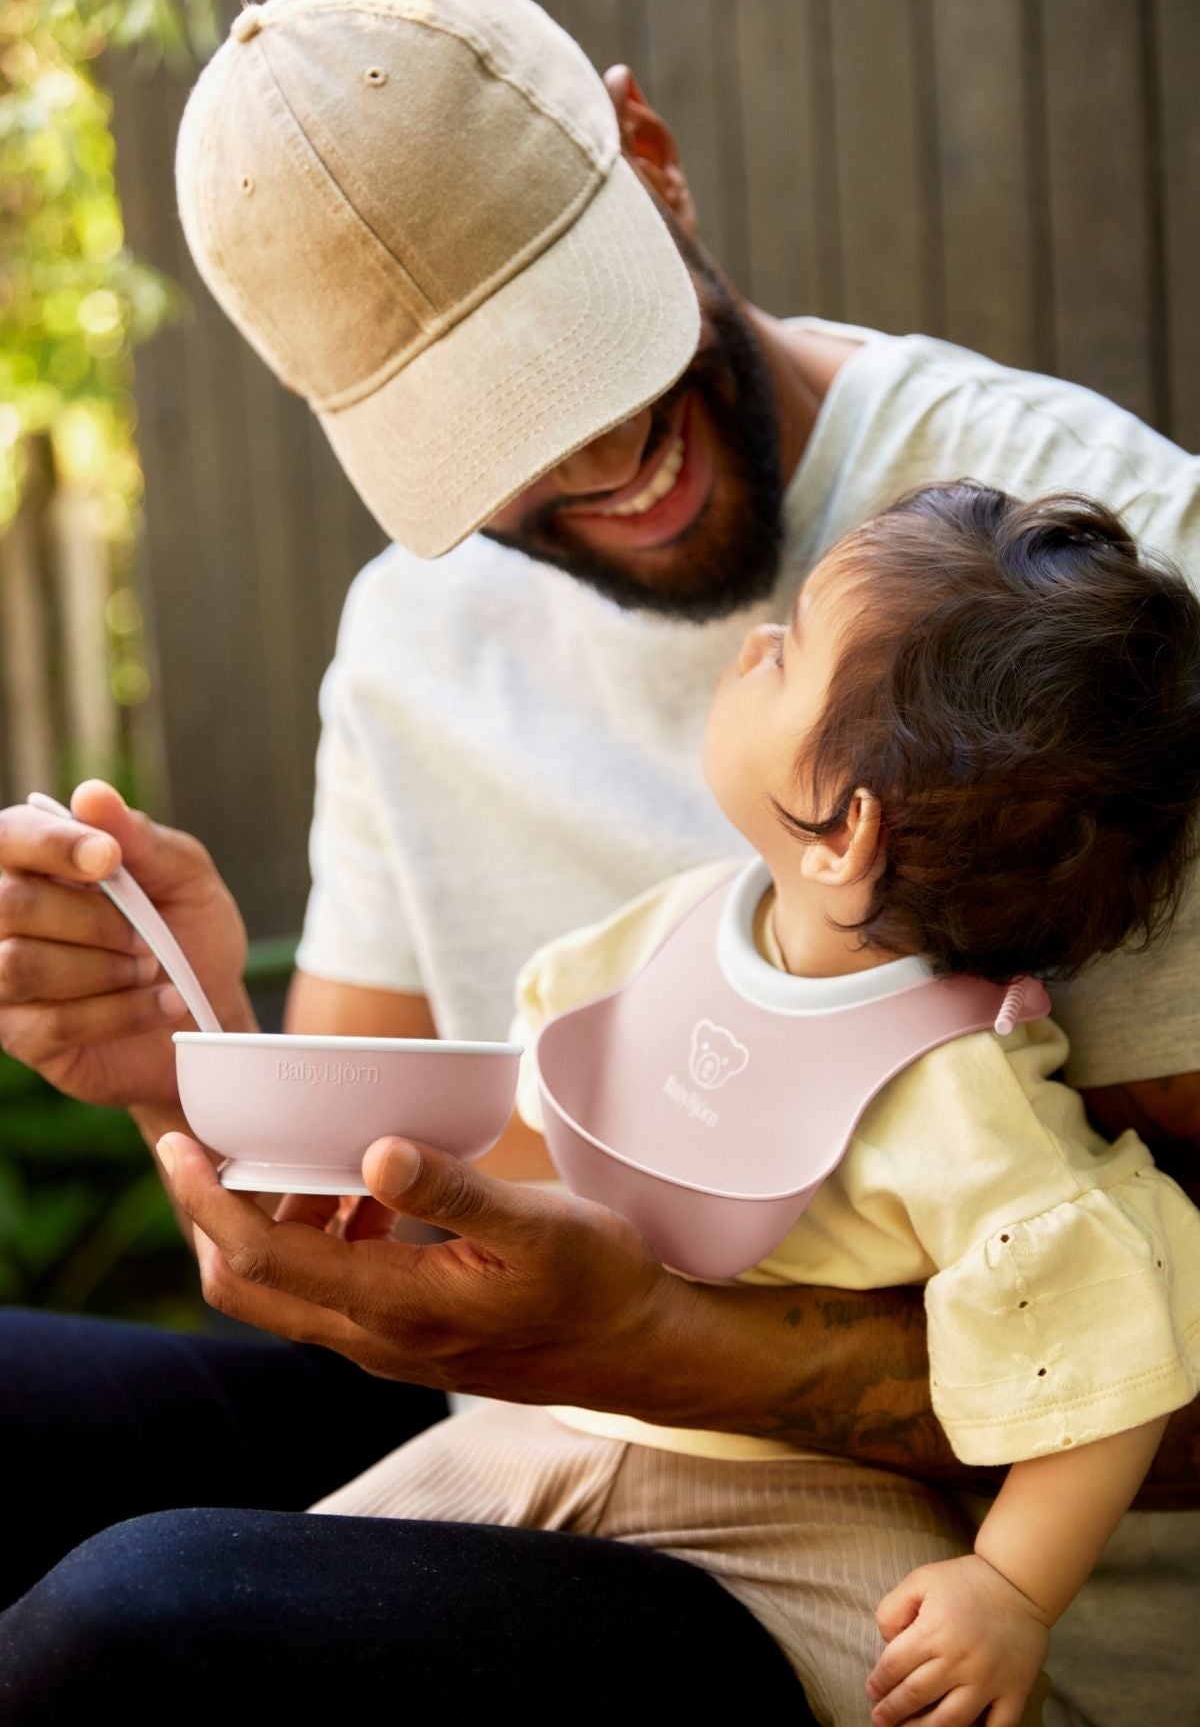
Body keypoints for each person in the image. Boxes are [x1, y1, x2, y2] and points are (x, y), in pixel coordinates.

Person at [0, 0, 1196, 1723]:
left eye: (590, 352)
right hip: (547, 1424)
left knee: (135, 1630)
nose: (599, 466)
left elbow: (1130, 1329)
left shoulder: (1091, 624)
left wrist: (651, 1335)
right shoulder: (415, 637)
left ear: (647, 155)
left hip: (907, 1589)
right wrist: (188, 1063)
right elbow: (374, 1206)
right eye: (487, 436)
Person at [271, 481, 1200, 1727]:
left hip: (818, 1498)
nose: (753, 645)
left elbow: (1104, 1350)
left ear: (845, 834)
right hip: (544, 1424)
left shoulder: (956, 1091)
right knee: (279, 1609)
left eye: (790, 652)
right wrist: (387, 1174)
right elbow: (540, 1118)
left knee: (921, 1705)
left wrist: (1007, 1590)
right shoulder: (676, 931)